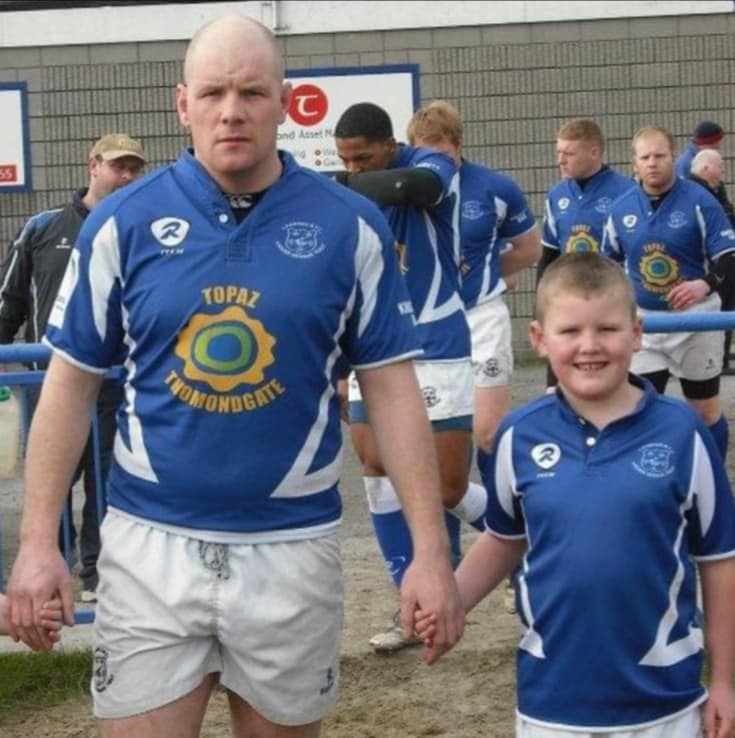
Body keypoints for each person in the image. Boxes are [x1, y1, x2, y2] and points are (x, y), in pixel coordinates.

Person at [6, 14, 463, 738]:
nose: (231, 110)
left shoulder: (351, 227)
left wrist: (430, 554)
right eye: (213, 92)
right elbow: (70, 383)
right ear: (182, 103)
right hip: (150, 549)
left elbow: (392, 389)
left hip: (291, 551)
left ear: (285, 101)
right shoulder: (121, 223)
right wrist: (38, 544)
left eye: (251, 92)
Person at [417, 252, 735, 738]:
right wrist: (451, 602)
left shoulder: (683, 433)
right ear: (539, 338)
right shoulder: (517, 436)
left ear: (636, 333)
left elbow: (719, 561)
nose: (590, 346)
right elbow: (504, 540)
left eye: (607, 329)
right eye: (570, 331)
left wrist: (726, 683)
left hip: (667, 705)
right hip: (551, 705)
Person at [334, 102, 478, 651]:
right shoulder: (353, 202)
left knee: (446, 487)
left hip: (437, 338)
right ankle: (408, 604)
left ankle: (526, 542)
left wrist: (336, 185)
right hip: (377, 346)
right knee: (375, 464)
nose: (355, 168)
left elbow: (416, 186)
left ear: (390, 147)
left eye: (364, 158)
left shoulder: (427, 165)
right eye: (346, 160)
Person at [406, 99, 540, 615]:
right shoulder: (411, 189)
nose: (432, 162)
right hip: (429, 325)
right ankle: (448, 560)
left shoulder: (495, 188)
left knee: (487, 432)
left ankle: (511, 544)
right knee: (433, 445)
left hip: (480, 318)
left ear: (458, 146)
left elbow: (528, 248)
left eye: (440, 151)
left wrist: (489, 276)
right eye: (422, 151)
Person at [0, 133, 145, 602]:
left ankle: (98, 573)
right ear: (93, 166)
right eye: (118, 167)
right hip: (49, 380)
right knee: (52, 478)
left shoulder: (140, 228)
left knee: (108, 479)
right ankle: (49, 571)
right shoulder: (43, 227)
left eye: (134, 169)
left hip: (114, 381)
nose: (126, 177)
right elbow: (9, 300)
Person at [603, 125, 735, 460]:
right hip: (645, 325)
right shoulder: (620, 209)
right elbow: (606, 265)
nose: (652, 163)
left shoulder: (700, 201)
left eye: (660, 155)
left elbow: (728, 257)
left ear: (672, 157)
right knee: (638, 410)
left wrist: (704, 283)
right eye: (645, 157)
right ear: (634, 163)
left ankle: (713, 477)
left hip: (696, 321)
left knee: (704, 410)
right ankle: (651, 476)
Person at [537, 118, 634, 386]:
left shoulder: (627, 193)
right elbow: (548, 256)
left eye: (569, 153)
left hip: (608, 301)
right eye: (559, 152)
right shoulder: (557, 194)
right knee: (557, 387)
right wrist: (541, 305)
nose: (560, 160)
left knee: (609, 383)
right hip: (567, 301)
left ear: (593, 152)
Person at [689, 148, 735, 374]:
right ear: (706, 168)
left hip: (724, 259)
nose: (723, 171)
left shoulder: (714, 191)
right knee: (721, 308)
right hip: (714, 263)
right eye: (720, 166)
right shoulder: (699, 195)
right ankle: (717, 361)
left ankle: (721, 358)